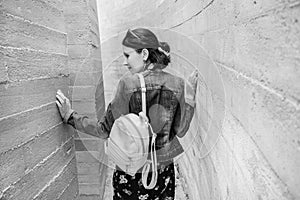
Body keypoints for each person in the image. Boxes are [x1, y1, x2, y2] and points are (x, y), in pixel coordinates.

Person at [56, 28, 198, 200]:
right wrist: (190, 99)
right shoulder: (178, 84)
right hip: (163, 172)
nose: (125, 62)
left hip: (133, 171)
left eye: (127, 55)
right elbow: (181, 131)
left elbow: (103, 130)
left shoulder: (127, 84)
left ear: (144, 54)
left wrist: (71, 116)